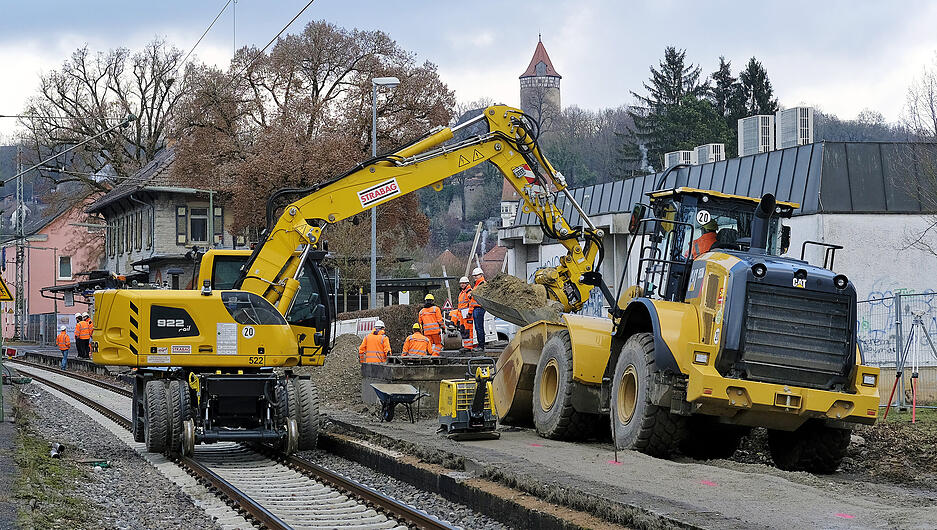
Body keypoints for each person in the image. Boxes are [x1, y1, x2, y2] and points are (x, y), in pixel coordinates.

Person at [469, 267, 487, 351]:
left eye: (477, 275)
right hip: (476, 308)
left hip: (479, 308)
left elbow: (479, 294)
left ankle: (481, 346)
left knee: (479, 327)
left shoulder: (482, 284)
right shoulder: (477, 284)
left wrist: (471, 294)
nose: (475, 277)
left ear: (481, 275)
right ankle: (480, 345)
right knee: (478, 327)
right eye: (474, 275)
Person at [456, 276, 475, 348]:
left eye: (464, 283)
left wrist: (469, 313)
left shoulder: (469, 292)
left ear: (467, 283)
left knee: (468, 331)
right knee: (463, 331)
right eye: (461, 283)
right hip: (462, 316)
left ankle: (469, 347)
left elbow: (471, 303)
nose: (462, 285)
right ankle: (466, 346)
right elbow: (460, 306)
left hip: (467, 315)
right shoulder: (462, 293)